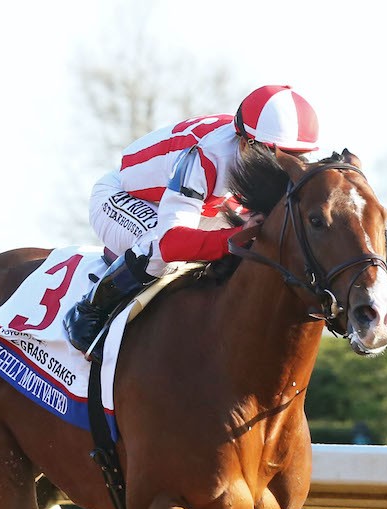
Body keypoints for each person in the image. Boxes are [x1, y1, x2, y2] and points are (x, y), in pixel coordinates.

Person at [65, 85, 320, 355]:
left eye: (296, 157)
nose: (285, 168)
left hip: (201, 209)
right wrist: (234, 236)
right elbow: (170, 242)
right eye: (277, 156)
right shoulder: (208, 154)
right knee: (162, 249)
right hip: (123, 197)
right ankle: (89, 311)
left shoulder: (252, 145)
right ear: (246, 145)